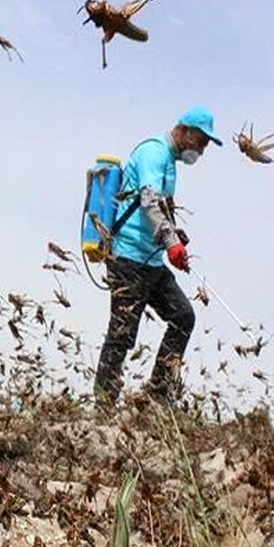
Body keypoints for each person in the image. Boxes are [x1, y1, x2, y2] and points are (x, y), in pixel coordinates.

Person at [94, 106, 222, 410]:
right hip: (127, 257)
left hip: (150, 262)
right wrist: (170, 243)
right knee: (123, 332)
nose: (202, 149)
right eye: (202, 141)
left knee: (182, 317)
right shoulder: (154, 153)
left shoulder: (171, 164)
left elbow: (163, 211)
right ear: (186, 130)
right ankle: (103, 405)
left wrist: (176, 238)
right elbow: (150, 201)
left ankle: (156, 396)